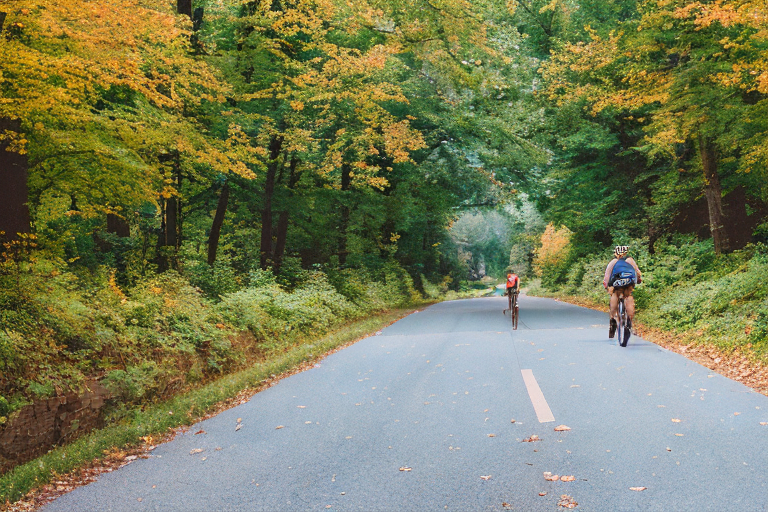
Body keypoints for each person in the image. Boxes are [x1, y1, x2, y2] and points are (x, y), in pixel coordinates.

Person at [603, 245, 642, 338]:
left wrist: (607, 286)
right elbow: (638, 273)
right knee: (628, 296)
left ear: (615, 253)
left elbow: (607, 276)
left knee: (615, 294)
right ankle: (629, 321)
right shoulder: (630, 260)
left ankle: (613, 318)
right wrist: (638, 280)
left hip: (617, 282)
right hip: (629, 282)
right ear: (626, 253)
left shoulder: (613, 262)